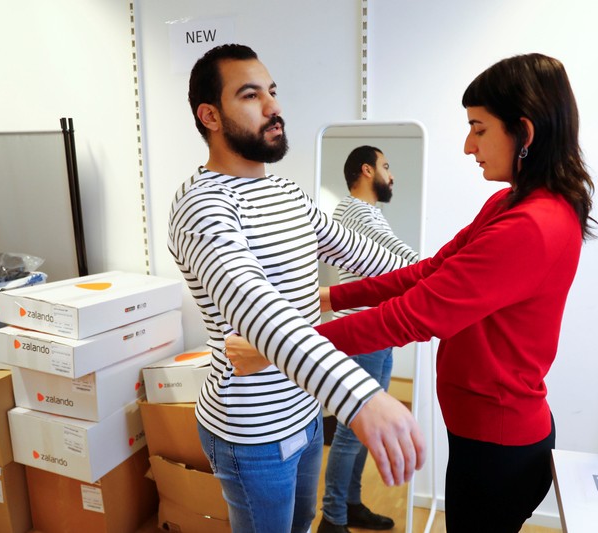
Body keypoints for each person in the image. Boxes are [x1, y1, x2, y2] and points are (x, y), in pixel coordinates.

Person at [229, 53, 596, 532]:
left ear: (524, 133)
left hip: (499, 444)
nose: (469, 145)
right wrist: (329, 299)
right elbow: (429, 271)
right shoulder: (510, 203)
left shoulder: (531, 225)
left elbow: (414, 315)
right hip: (483, 433)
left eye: (479, 129)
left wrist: (279, 347)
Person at [167, 44, 425, 533]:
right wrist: (362, 398)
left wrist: (447, 273)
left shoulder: (285, 192)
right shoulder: (202, 206)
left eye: (272, 91)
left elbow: (365, 255)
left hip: (305, 410)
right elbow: (261, 311)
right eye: (250, 95)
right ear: (210, 116)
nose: (273, 107)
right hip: (254, 430)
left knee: (302, 522)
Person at [318, 146, 419, 533]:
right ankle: (333, 518)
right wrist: (441, 269)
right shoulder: (355, 212)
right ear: (366, 169)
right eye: (386, 166)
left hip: (376, 328)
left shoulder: (368, 213)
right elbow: (400, 258)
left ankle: (350, 504)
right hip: (362, 333)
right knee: (352, 428)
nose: (391, 175)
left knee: (363, 428)